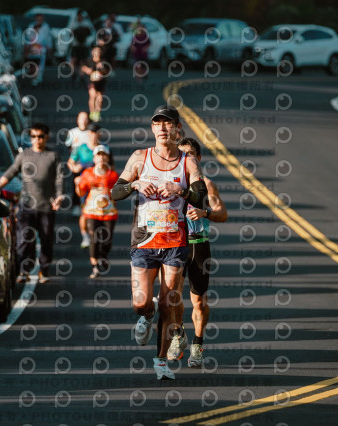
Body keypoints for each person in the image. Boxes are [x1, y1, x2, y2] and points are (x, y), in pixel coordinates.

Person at [111, 105, 208, 380]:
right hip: (144, 242)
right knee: (140, 303)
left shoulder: (187, 162)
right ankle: (147, 313)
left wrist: (181, 190)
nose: (163, 128)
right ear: (153, 128)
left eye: (168, 123)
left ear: (177, 128)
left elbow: (201, 197)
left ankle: (161, 361)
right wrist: (135, 185)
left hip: (176, 243)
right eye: (158, 123)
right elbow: (115, 192)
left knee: (169, 304)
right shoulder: (140, 158)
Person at [166, 137, 228, 367]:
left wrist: (205, 213)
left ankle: (198, 344)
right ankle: (179, 334)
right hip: (174, 244)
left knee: (199, 301)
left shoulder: (207, 184)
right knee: (171, 297)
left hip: (198, 244)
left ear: (198, 158)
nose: (186, 158)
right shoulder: (169, 183)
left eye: (190, 154)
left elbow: (222, 214)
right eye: (181, 154)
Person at [0, 123, 64, 284]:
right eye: (33, 136)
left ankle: (44, 270)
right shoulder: (24, 156)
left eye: (40, 136)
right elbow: (10, 173)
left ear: (46, 137)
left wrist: (59, 197)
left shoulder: (53, 156)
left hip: (46, 206)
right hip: (26, 205)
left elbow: (59, 178)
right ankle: (24, 270)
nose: (37, 140)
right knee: (24, 238)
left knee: (46, 239)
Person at [75, 144, 119, 278]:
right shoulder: (88, 173)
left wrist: (112, 195)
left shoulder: (113, 175)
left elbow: (117, 195)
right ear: (94, 158)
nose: (101, 158)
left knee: (107, 240)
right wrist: (77, 184)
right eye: (98, 155)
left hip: (108, 213)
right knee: (94, 237)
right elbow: (81, 192)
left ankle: (103, 256)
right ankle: (95, 265)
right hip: (92, 212)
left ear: (107, 158)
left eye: (103, 155)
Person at [65, 111, 91, 215]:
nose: (83, 121)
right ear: (77, 120)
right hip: (76, 163)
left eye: (85, 119)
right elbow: (68, 146)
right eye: (81, 118)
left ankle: (88, 204)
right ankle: (76, 205)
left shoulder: (90, 133)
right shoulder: (72, 132)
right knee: (76, 183)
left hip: (89, 163)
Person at [81, 46, 109, 122]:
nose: (97, 53)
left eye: (99, 51)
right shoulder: (89, 61)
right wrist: (88, 70)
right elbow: (83, 67)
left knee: (100, 98)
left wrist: (101, 71)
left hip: (101, 81)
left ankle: (97, 113)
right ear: (92, 52)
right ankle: (92, 113)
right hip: (91, 81)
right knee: (92, 96)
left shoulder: (103, 61)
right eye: (95, 51)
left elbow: (107, 71)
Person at [25, 14, 53, 86]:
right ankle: (34, 76)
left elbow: (48, 38)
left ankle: (38, 77)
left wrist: (49, 47)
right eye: (38, 19)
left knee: (40, 64)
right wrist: (27, 49)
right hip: (32, 49)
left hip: (42, 48)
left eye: (40, 19)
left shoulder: (46, 27)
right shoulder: (31, 26)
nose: (39, 21)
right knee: (32, 64)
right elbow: (28, 38)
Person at [71, 11, 92, 81]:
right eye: (78, 16)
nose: (79, 17)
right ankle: (73, 72)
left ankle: (81, 74)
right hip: (75, 44)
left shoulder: (87, 23)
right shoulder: (74, 23)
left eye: (81, 16)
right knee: (74, 59)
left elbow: (90, 33)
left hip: (84, 44)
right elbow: (71, 33)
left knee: (82, 60)